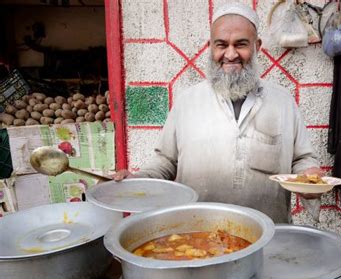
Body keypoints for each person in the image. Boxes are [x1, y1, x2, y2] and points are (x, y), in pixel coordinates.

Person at [114, 2, 322, 223]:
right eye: (221, 45)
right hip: (195, 239)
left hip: (269, 236)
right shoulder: (187, 102)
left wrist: (309, 176)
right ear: (210, 47)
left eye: (240, 44)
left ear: (257, 46)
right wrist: (137, 181)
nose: (230, 54)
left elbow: (301, 159)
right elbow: (165, 162)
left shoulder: (283, 102)